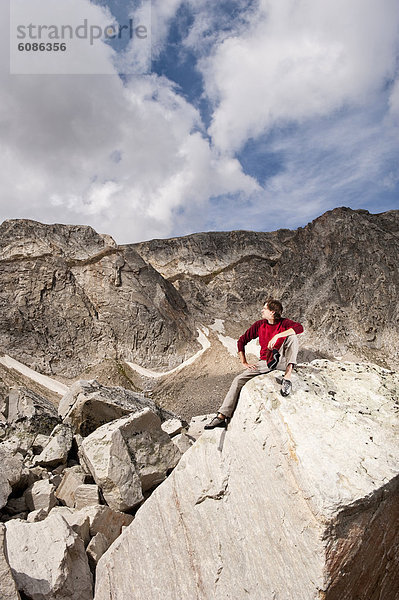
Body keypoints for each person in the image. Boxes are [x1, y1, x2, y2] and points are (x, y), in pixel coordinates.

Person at [205, 299, 303, 429]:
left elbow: (299, 328)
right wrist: (244, 362)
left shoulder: (284, 323)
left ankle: (287, 377)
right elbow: (242, 341)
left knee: (292, 336)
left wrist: (278, 336)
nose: (262, 310)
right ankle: (221, 416)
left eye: (264, 309)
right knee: (238, 380)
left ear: (272, 312)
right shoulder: (260, 325)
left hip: (282, 361)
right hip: (264, 363)